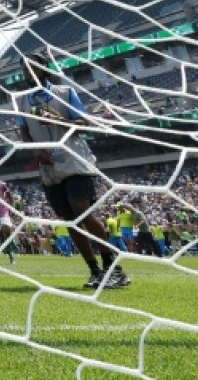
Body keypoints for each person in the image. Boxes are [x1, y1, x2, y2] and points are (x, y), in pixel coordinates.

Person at [17, 53, 128, 291]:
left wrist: (57, 119)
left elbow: (83, 125)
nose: (28, 73)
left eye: (32, 68)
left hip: (74, 159)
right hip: (48, 166)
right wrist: (36, 153)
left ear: (44, 69)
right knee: (68, 219)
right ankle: (94, 270)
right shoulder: (23, 102)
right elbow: (23, 132)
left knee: (81, 211)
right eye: (25, 69)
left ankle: (113, 267)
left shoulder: (66, 93)